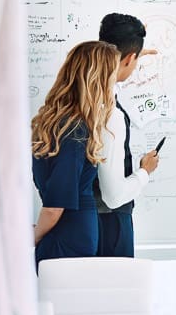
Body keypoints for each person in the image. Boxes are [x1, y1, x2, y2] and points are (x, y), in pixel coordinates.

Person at [32, 41, 120, 270]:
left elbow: (53, 207)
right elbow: (54, 206)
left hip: (67, 237)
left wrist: (33, 237)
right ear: (97, 80)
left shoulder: (67, 126)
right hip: (68, 239)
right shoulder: (74, 129)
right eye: (111, 77)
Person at [95, 13, 160, 257]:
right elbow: (113, 196)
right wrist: (145, 171)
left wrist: (132, 56)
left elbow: (113, 79)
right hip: (109, 226)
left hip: (91, 223)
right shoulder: (111, 113)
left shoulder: (90, 93)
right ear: (129, 58)